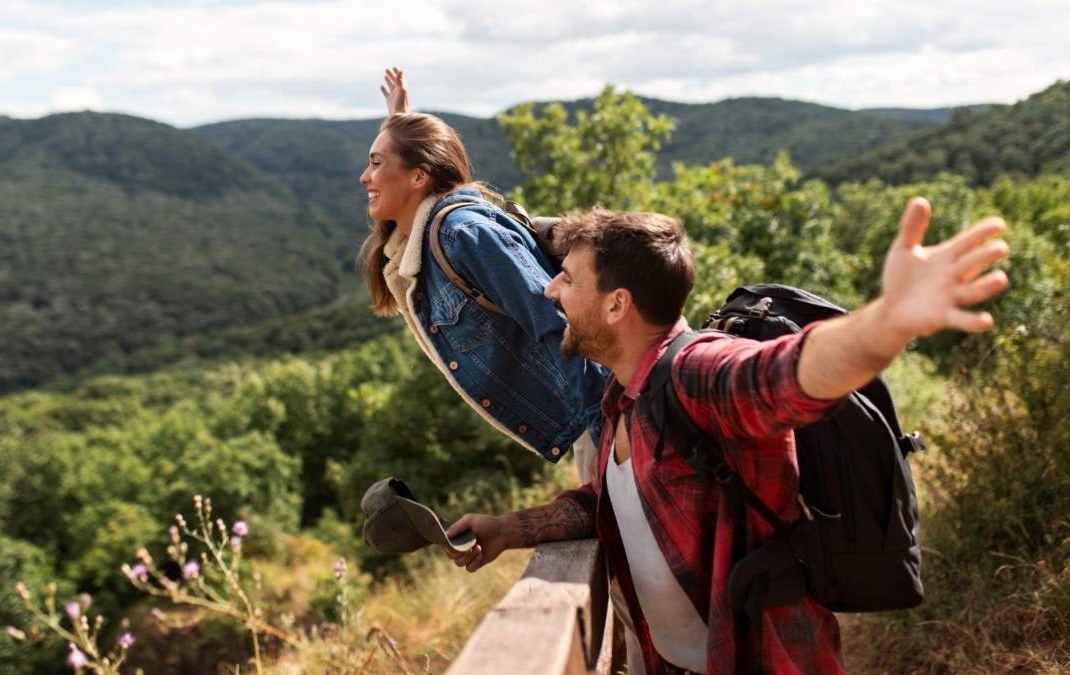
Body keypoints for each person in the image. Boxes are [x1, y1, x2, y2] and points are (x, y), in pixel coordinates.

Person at [444, 199, 1010, 674]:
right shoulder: (622, 394)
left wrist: (889, 320)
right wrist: (509, 528)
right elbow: (616, 499)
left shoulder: (697, 372)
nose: (549, 292)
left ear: (618, 305)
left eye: (567, 279)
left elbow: (788, 375)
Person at [359, 67, 606, 473]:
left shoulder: (465, 235)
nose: (364, 176)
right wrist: (399, 118)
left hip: (600, 409)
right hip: (587, 417)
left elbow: (557, 324)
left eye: (375, 163)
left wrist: (607, 427)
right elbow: (410, 194)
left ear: (420, 176)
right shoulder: (416, 244)